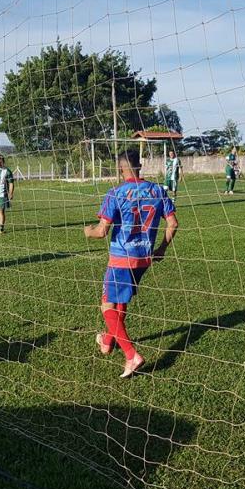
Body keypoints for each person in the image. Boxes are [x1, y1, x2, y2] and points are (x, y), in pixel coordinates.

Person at [84, 149, 178, 378]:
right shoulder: (157, 190)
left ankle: (131, 355)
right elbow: (173, 224)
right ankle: (107, 340)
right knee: (120, 301)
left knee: (107, 306)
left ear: (120, 168)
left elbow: (101, 232)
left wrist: (87, 231)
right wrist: (162, 249)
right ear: (140, 165)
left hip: (121, 258)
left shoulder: (116, 193)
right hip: (144, 258)